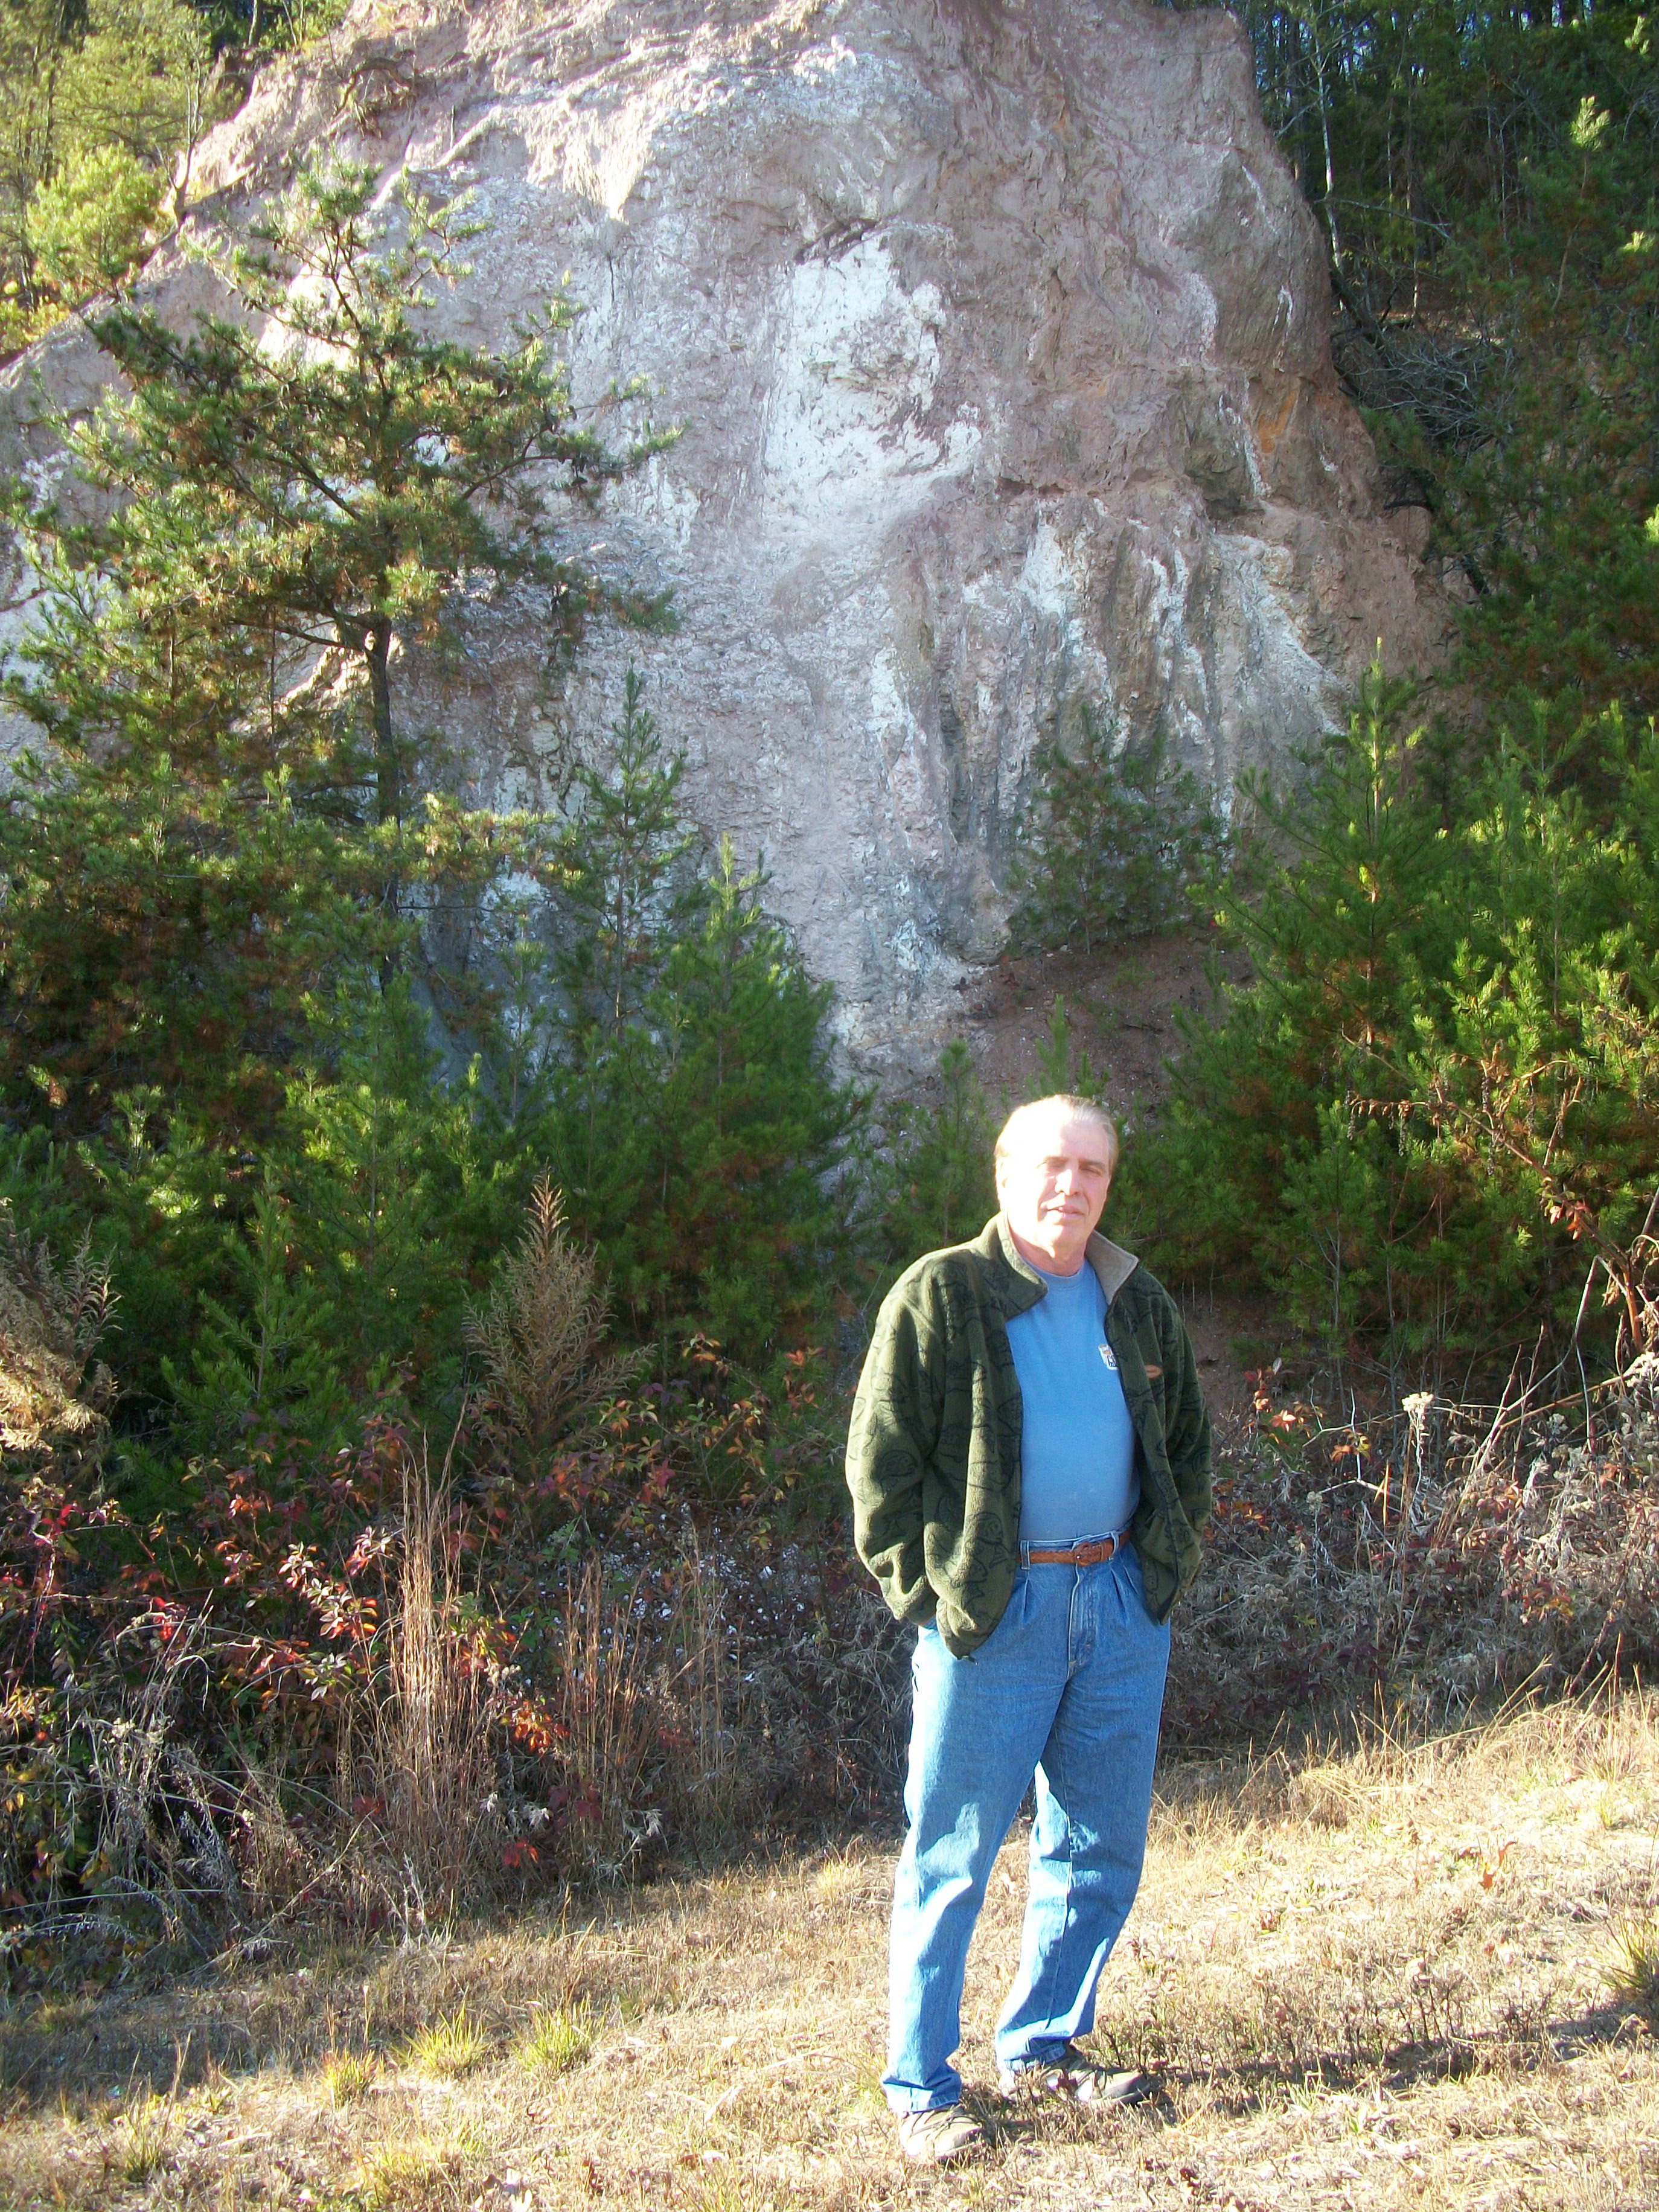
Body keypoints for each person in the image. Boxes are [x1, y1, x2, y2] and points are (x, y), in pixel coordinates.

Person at [846, 1092, 1211, 2164]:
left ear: (1109, 1185)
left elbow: (1187, 1442)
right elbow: (881, 1465)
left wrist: (1160, 1569)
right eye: (1051, 1165)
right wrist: (934, 1592)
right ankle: (921, 2087)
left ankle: (1046, 2045)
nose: (1071, 1187)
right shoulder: (943, 1294)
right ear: (1005, 1176)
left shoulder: (1135, 1301)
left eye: (1092, 1170)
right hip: (996, 1618)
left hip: (1118, 1606)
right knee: (950, 1854)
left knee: (1098, 1844)